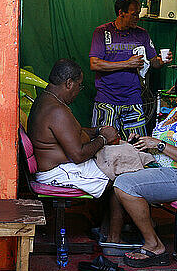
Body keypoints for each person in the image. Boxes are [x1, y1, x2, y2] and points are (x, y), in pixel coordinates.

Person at [113, 67, 177, 267]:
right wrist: (142, 142)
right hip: (168, 172)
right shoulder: (175, 112)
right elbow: (162, 146)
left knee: (125, 184)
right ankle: (117, 233)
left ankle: (154, 245)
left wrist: (159, 145)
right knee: (117, 172)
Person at [27, 58, 119, 199]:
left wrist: (97, 131)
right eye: (79, 85)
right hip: (58, 172)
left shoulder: (45, 100)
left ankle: (101, 220)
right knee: (120, 180)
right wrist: (104, 138)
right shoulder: (57, 110)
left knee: (115, 167)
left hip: (59, 168)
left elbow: (69, 132)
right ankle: (110, 222)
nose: (78, 91)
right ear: (69, 83)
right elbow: (78, 155)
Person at [90, 0, 173, 140]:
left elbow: (154, 62)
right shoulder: (102, 32)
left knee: (138, 145)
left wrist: (163, 60)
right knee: (104, 144)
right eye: (134, 14)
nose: (137, 18)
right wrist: (127, 63)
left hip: (133, 98)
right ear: (121, 12)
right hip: (106, 99)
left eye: (138, 14)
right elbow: (95, 63)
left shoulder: (142, 34)